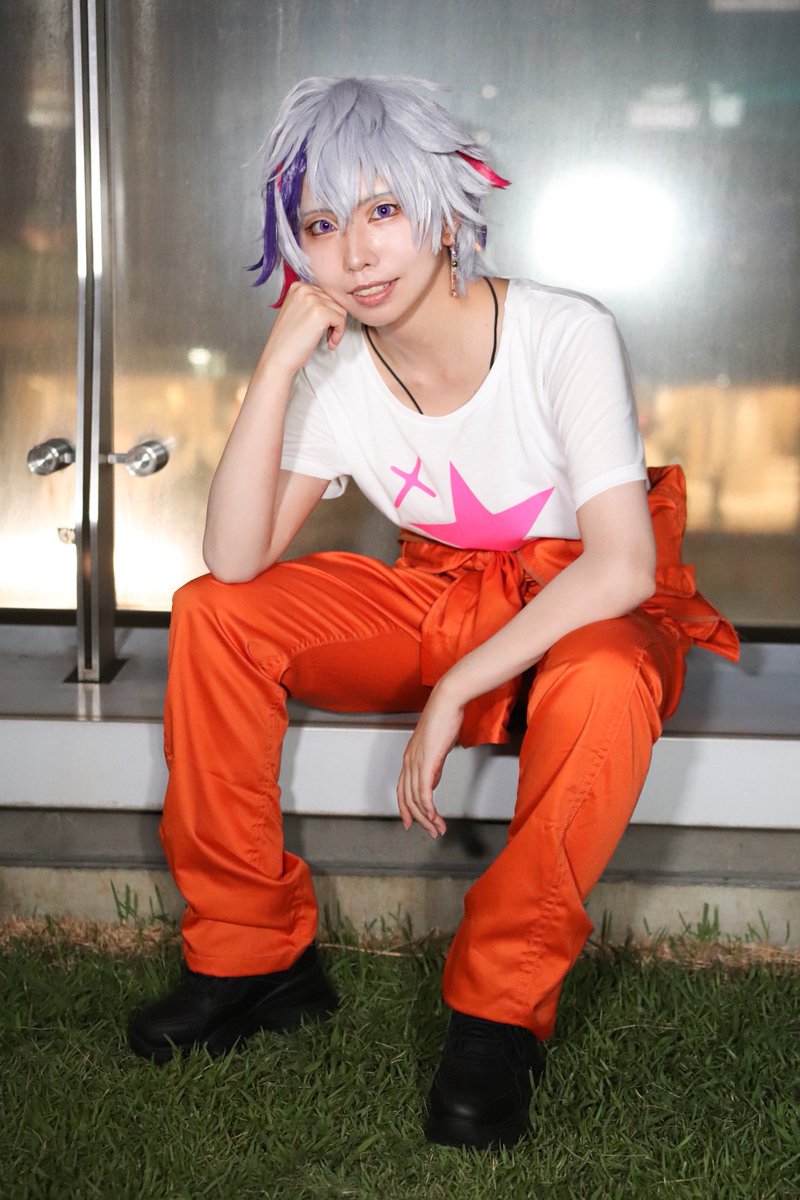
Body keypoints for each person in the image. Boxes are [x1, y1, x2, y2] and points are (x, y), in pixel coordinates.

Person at [127, 76, 739, 1150]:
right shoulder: (331, 376)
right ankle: (251, 961)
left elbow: (621, 565)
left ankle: (497, 1014)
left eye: (383, 209)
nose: (357, 253)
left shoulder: (563, 330)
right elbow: (232, 560)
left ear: (445, 210)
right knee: (215, 613)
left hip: (580, 603)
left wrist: (457, 686)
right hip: (442, 594)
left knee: (606, 675)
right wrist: (277, 362)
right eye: (323, 224)